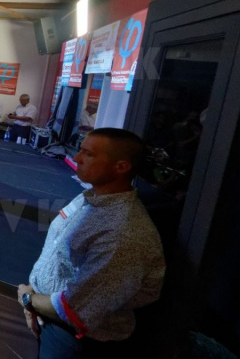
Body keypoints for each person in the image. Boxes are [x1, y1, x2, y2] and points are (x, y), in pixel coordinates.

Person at [18, 128, 165, 359]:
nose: (76, 158)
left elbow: (76, 310)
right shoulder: (91, 199)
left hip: (75, 340)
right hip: (51, 323)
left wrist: (28, 299)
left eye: (88, 153)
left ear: (121, 167)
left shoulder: (122, 233)